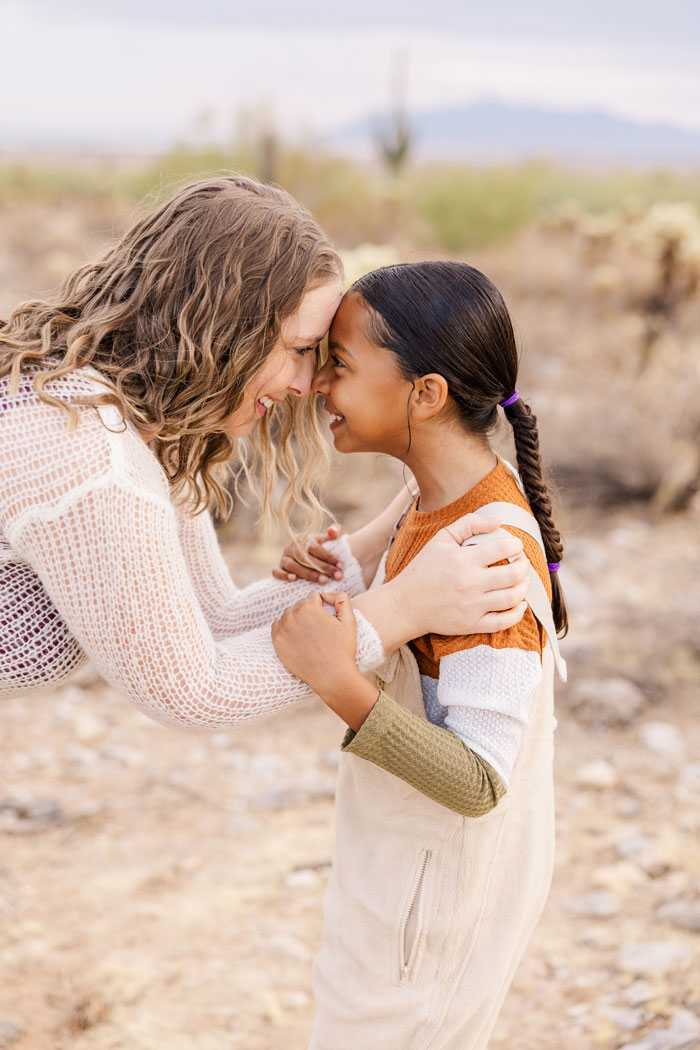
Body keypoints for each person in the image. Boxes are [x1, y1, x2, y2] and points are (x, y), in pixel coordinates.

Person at [0, 176, 529, 730]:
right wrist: (405, 608)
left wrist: (373, 548)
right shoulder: (89, 454)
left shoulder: (144, 424)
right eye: (298, 350)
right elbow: (196, 690)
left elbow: (216, 620)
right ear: (221, 327)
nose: (306, 383)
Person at [271, 261, 568, 1050]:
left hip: (431, 923)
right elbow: (405, 588)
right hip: (400, 884)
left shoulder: (489, 561)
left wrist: (341, 684)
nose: (316, 384)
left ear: (425, 393)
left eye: (339, 363)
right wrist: (344, 568)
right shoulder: (437, 495)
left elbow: (479, 781)